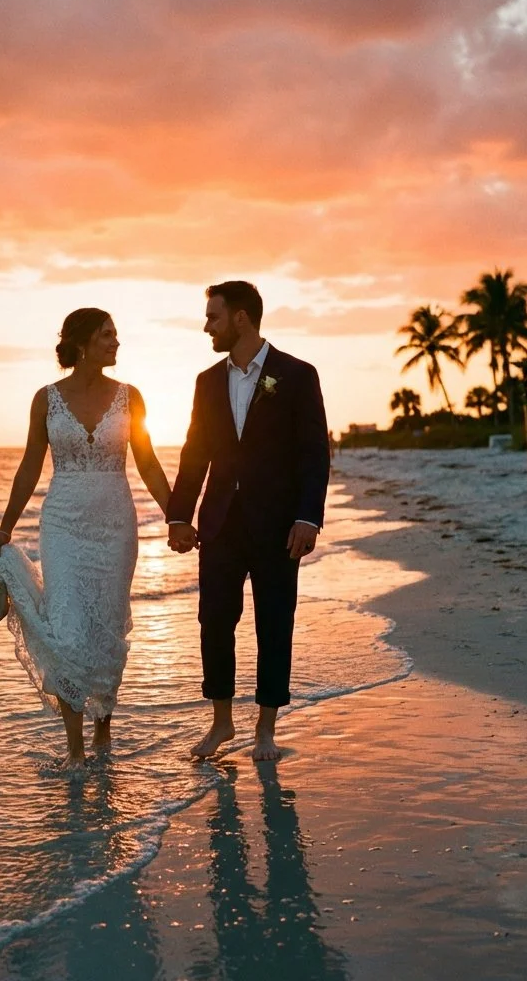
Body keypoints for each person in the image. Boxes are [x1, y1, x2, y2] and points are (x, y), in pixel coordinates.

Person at [0, 309, 171, 769]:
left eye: (116, 334)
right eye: (107, 335)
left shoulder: (130, 397)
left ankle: (104, 732)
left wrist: (177, 517)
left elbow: (150, 463)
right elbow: (29, 466)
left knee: (108, 625)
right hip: (61, 525)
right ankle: (76, 751)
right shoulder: (46, 399)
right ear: (81, 343)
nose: (116, 342)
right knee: (70, 626)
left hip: (115, 525)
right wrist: (6, 526)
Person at [167, 281, 330, 761]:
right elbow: (195, 452)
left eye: (212, 317)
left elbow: (314, 451)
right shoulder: (206, 381)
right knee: (213, 620)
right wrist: (180, 516)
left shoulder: (297, 375)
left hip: (280, 524)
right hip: (219, 522)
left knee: (274, 623)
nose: (206, 326)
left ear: (240, 318)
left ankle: (265, 730)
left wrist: (308, 516)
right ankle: (221, 724)